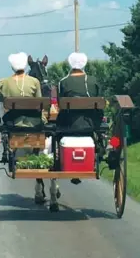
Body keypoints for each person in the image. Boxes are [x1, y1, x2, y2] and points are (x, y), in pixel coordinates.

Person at [0, 52, 51, 205]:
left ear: (12, 67)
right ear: (25, 66)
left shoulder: (4, 82)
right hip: (34, 124)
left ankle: (12, 152)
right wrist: (43, 119)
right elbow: (40, 102)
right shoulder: (34, 82)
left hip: (13, 125)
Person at [57, 52, 104, 187]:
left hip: (69, 124)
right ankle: (99, 148)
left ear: (70, 64)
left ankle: (60, 159)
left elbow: (60, 104)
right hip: (91, 123)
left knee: (56, 128)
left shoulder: (63, 82)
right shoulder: (93, 80)